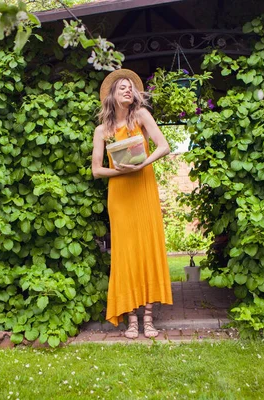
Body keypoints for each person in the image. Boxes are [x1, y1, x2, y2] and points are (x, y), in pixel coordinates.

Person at [92, 69, 173, 339]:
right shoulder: (102, 130)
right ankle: (132, 320)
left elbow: (163, 146)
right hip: (120, 193)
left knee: (147, 249)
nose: (128, 90)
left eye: (131, 87)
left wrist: (141, 164)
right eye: (122, 87)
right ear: (112, 96)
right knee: (126, 253)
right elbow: (96, 170)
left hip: (143, 187)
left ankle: (148, 319)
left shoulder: (142, 116)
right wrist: (121, 172)